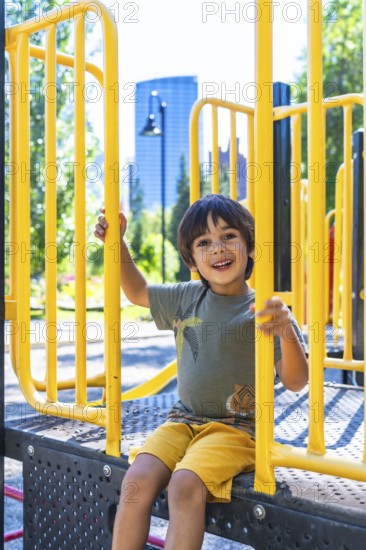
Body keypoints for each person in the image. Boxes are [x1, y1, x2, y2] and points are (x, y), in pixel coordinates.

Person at [94, 194, 308, 550]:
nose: (218, 250)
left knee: (184, 485)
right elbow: (136, 291)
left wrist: (285, 329)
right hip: (182, 419)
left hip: (236, 429)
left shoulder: (266, 308)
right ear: (192, 259)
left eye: (228, 237)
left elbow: (296, 380)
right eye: (204, 243)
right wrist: (116, 243)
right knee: (135, 482)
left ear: (250, 248)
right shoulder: (186, 297)